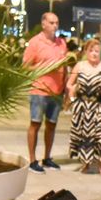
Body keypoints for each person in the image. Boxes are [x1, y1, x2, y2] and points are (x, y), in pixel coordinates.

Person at [23, 11, 69, 173]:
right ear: (43, 24)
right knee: (35, 123)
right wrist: (46, 67)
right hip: (39, 90)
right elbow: (25, 67)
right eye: (51, 22)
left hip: (56, 92)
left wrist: (66, 88)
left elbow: (65, 66)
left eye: (56, 22)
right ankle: (32, 160)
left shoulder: (62, 43)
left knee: (51, 124)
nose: (55, 26)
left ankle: (47, 158)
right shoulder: (35, 42)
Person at [68, 39, 101, 175]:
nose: (94, 54)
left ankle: (100, 165)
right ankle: (85, 164)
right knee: (83, 134)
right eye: (91, 51)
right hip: (82, 106)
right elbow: (69, 84)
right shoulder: (80, 66)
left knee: (99, 135)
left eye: (97, 51)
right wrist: (73, 100)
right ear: (86, 52)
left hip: (98, 105)